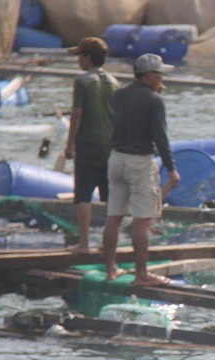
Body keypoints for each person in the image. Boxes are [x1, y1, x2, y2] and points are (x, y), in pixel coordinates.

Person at [101, 53, 180, 286]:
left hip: (116, 159)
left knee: (113, 217)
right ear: (148, 75)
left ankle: (109, 270)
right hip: (139, 162)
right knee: (141, 221)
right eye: (159, 74)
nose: (162, 78)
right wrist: (172, 169)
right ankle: (142, 275)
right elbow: (160, 137)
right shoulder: (155, 101)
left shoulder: (119, 94)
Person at [64, 37, 118, 253]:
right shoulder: (114, 82)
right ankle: (108, 243)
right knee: (109, 197)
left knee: (83, 195)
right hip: (110, 145)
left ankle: (84, 243)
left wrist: (70, 145)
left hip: (88, 144)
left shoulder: (82, 81)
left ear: (87, 58)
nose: (78, 60)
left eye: (80, 56)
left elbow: (77, 113)